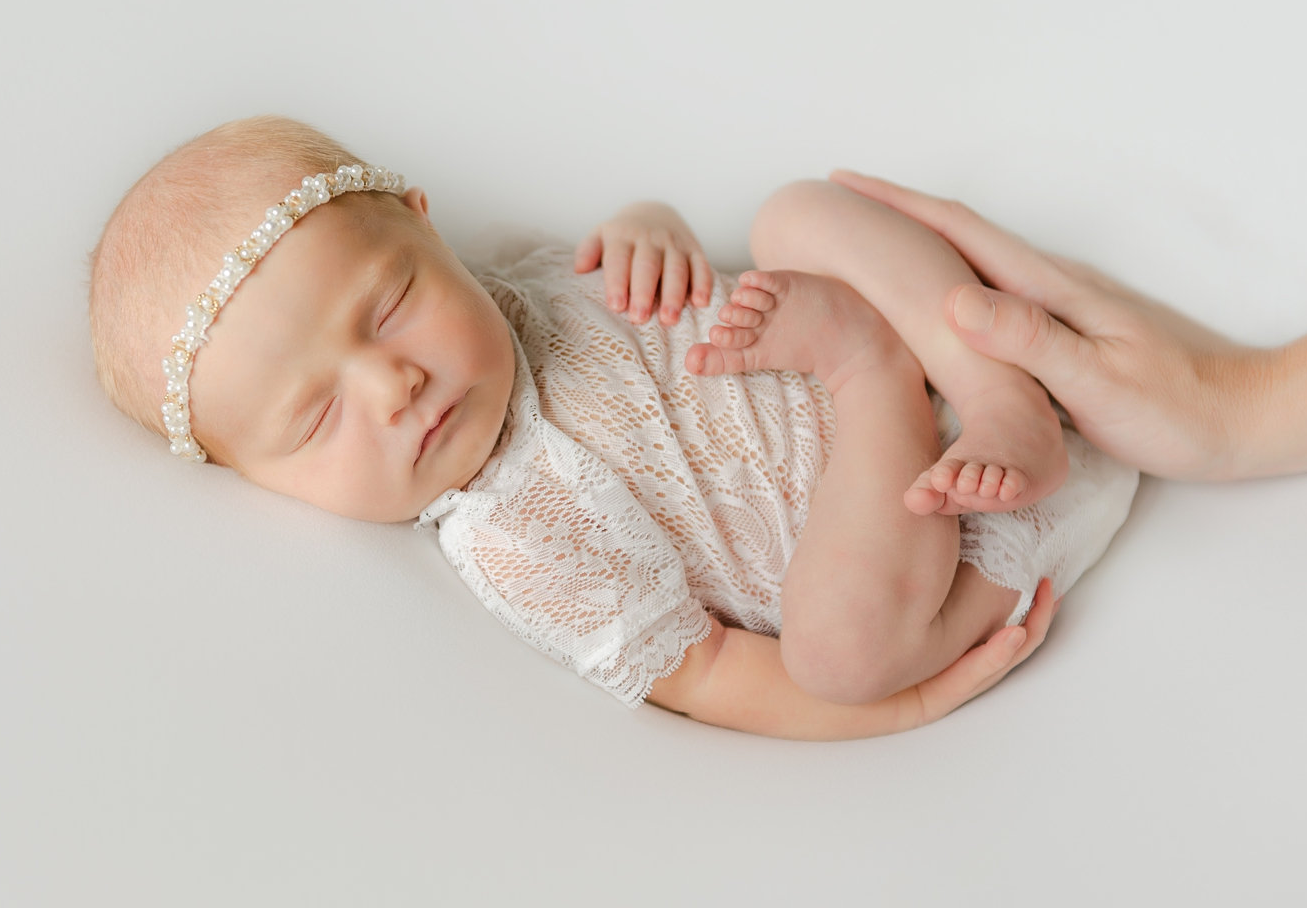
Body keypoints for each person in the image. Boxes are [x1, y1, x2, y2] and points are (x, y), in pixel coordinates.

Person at [88, 117, 1135, 741]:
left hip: (966, 412)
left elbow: (679, 276)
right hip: (931, 542)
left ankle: (997, 394)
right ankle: (872, 367)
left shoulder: (521, 281)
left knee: (797, 213)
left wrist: (652, 232)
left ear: (423, 221)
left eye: (390, 304)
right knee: (834, 650)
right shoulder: (513, 540)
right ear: (268, 482)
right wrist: (903, 711)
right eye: (318, 417)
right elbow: (714, 673)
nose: (394, 381)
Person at [830, 169, 1307, 480]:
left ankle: (1000, 403)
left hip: (998, 436)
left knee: (800, 209)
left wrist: (1243, 403)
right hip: (953, 472)